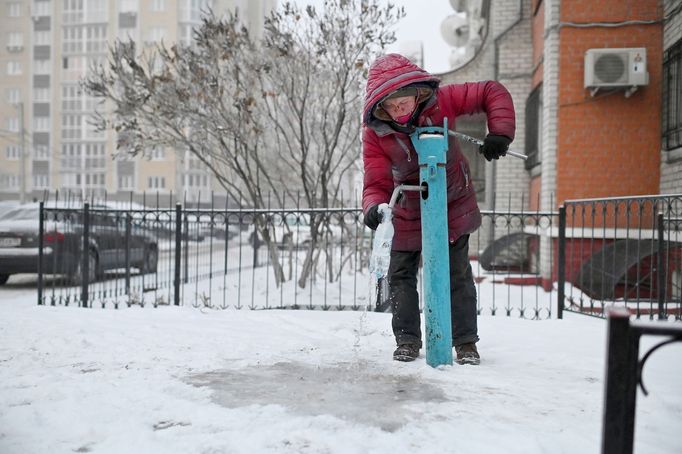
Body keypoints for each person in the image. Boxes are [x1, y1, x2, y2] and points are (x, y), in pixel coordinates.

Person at [362, 53, 516, 364]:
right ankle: (406, 339)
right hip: (405, 211)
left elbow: (491, 91)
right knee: (400, 275)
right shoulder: (376, 133)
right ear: (381, 108)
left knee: (456, 273)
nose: (400, 108)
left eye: (404, 99)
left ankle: (465, 343)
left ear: (417, 92)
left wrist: (499, 132)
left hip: (450, 204)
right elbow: (375, 177)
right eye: (391, 105)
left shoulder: (442, 101)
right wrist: (375, 206)